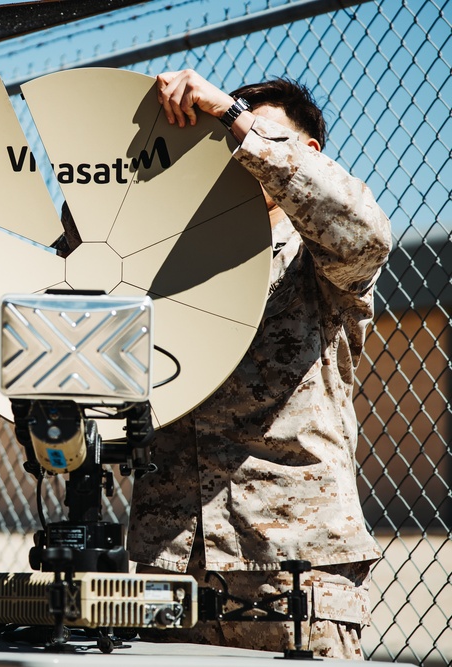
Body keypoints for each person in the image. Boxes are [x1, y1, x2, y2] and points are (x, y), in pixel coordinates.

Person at [128, 70, 392, 659]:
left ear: (305, 152)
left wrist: (229, 115)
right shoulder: (168, 261)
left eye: (253, 136)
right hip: (169, 568)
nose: (238, 154)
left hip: (293, 572)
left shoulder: (321, 260)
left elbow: (367, 233)